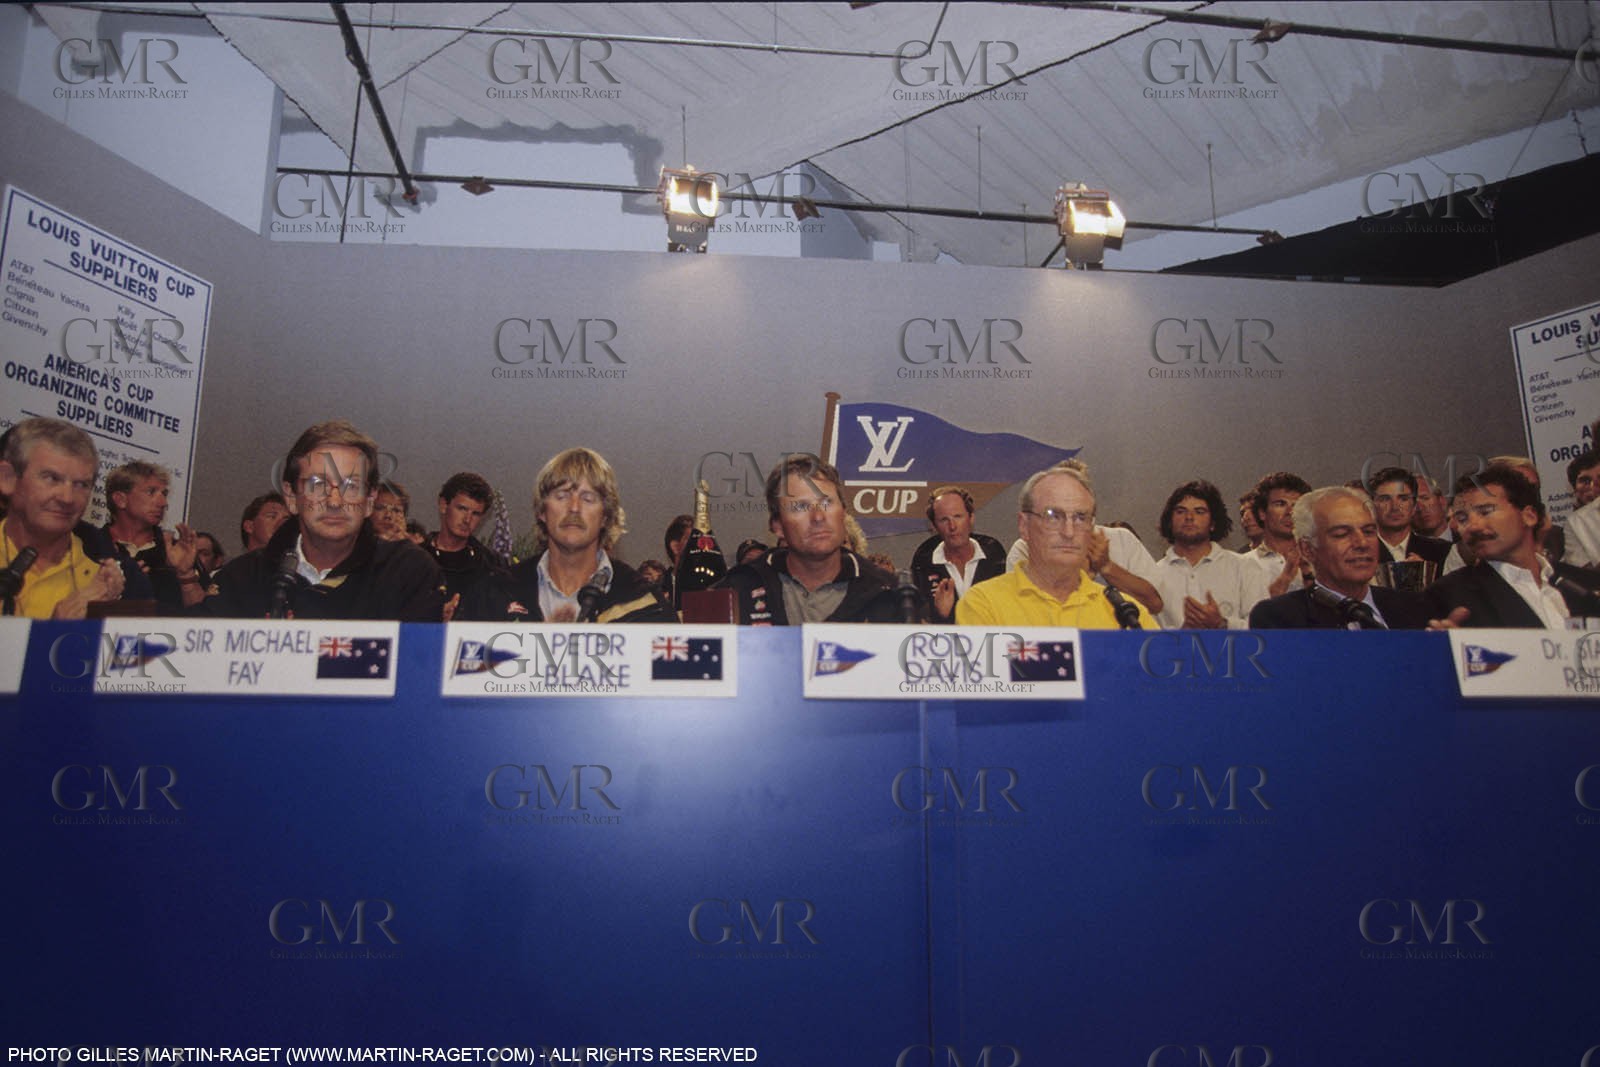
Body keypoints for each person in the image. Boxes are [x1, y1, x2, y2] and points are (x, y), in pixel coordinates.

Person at [200, 421, 444, 620]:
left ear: (370, 500)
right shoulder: (241, 579)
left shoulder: (408, 572)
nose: (334, 501)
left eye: (351, 486)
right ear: (291, 497)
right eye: (317, 485)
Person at [461, 447, 671, 623]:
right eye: (561, 496)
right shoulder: (494, 594)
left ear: (605, 516)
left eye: (588, 498)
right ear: (542, 511)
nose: (574, 508)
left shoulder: (645, 603)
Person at [957, 465, 1156, 628]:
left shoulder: (1128, 615)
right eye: (1053, 517)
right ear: (1024, 526)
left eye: (1080, 517)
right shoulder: (983, 605)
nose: (1069, 532)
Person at [715, 453, 898, 625]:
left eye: (826, 503)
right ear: (778, 526)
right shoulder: (738, 589)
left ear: (843, 513)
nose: (818, 517)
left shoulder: (888, 592)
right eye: (800, 507)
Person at [1424, 466, 1592, 628]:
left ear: (1529, 516)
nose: (1472, 527)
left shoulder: (1586, 585)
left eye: (1486, 511)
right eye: (1462, 519)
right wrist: (1447, 643)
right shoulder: (1447, 597)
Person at [1249, 487, 1430, 629]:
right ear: (1307, 549)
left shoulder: (1415, 608)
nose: (1362, 543)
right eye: (1342, 534)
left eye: (1368, 532)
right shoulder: (1280, 618)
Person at [0, 417, 126, 618]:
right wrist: (54, 631)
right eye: (52, 478)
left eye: (81, 485)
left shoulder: (107, 580)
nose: (67, 498)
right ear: (8, 479)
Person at [1005, 459, 1163, 615]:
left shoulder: (1122, 539)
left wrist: (1106, 566)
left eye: (1079, 514)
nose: (1069, 530)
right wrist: (1080, 574)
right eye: (1056, 514)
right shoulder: (1025, 547)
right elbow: (1019, 611)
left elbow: (1154, 604)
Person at [1151, 479, 1269, 629]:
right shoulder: (1153, 576)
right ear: (1170, 521)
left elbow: (1264, 629)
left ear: (1213, 523)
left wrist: (1222, 624)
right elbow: (1144, 634)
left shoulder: (1244, 567)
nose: (1189, 517)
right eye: (1181, 511)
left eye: (1199, 512)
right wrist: (1182, 635)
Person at [103, 460, 205, 610]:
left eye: (164, 494)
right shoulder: (89, 547)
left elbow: (205, 617)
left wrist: (186, 576)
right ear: (120, 500)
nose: (163, 502)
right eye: (151, 492)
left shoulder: (178, 552)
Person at [909, 485, 1007, 623]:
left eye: (958, 516)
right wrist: (940, 614)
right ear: (933, 526)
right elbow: (918, 624)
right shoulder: (924, 562)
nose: (952, 526)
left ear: (971, 518)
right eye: (944, 520)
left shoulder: (994, 555)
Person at [423, 471, 507, 608]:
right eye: (462, 509)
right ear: (443, 505)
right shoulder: (415, 559)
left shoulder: (493, 565)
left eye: (476, 514)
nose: (467, 519)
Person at [1244, 471, 1313, 599]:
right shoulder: (1242, 565)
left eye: (1297, 506)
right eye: (1280, 504)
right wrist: (1286, 577)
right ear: (1262, 513)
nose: (1290, 512)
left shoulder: (1321, 561)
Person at [1366, 466, 1450, 568]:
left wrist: (1426, 572)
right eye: (1385, 499)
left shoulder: (1442, 551)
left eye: (1403, 499)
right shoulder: (1361, 550)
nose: (1395, 507)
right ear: (1372, 506)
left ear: (1414, 506)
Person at [1411, 476, 1452, 541]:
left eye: (1425, 498)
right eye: (1412, 504)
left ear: (1442, 501)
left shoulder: (1465, 538)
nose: (1420, 508)